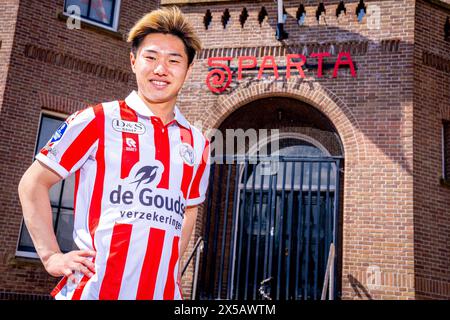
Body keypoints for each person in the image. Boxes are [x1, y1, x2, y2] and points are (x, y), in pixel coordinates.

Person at [18, 6, 210, 300]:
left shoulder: (197, 143)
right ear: (133, 62)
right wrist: (51, 256)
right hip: (92, 292)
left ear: (188, 69)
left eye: (174, 60)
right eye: (151, 57)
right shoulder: (97, 119)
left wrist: (169, 274)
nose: (161, 69)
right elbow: (32, 183)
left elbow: (189, 210)